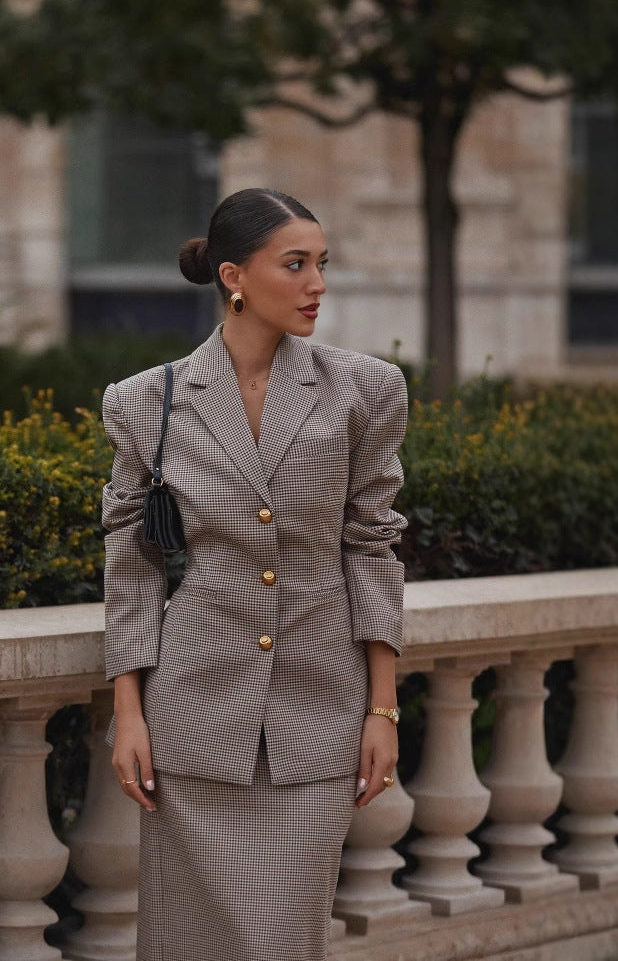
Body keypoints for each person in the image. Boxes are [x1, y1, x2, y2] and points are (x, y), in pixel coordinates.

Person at [100, 188, 407, 961]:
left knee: (283, 942)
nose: (317, 286)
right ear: (234, 276)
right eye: (295, 264)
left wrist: (383, 709)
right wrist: (128, 712)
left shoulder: (363, 390)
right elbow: (133, 564)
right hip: (191, 722)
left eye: (322, 264)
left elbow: (372, 544)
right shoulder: (146, 402)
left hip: (318, 720)